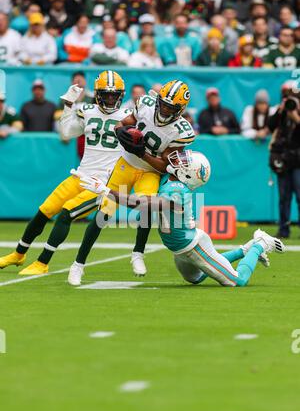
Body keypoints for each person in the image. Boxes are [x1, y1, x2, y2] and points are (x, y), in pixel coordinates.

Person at [78, 149, 285, 287]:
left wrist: (107, 192)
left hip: (193, 246)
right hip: (181, 248)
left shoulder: (177, 190)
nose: (179, 160)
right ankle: (244, 250)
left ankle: (259, 243)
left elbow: (142, 204)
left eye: (185, 162)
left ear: (188, 174)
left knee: (237, 281)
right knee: (197, 278)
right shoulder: (171, 180)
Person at [0, 71, 131, 275]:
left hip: (102, 185)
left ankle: (43, 263)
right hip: (80, 176)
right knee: (44, 210)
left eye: (114, 95)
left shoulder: (128, 117)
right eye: (106, 94)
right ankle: (19, 254)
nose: (111, 99)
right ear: (97, 94)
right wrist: (69, 104)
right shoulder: (87, 110)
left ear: (121, 96)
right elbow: (66, 132)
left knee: (66, 213)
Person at [67, 80, 195, 285]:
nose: (164, 108)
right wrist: (120, 133)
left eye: (171, 107)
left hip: (150, 171)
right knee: (103, 213)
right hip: (125, 164)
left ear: (180, 109)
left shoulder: (182, 130)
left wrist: (141, 152)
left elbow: (164, 166)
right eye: (163, 103)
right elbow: (123, 124)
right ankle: (78, 265)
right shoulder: (145, 103)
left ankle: (138, 253)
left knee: (146, 207)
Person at [268, 85, 300, 238]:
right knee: (284, 196)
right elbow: (270, 126)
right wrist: (280, 111)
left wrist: (297, 119)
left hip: (298, 161)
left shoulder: (297, 112)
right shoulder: (281, 111)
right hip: (283, 159)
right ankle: (283, 229)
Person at [56, 71, 94, 159]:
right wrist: (63, 132)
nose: (79, 82)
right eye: (76, 80)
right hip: (71, 129)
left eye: (81, 79)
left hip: (87, 132)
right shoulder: (65, 99)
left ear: (85, 81)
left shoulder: (93, 98)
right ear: (72, 83)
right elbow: (58, 117)